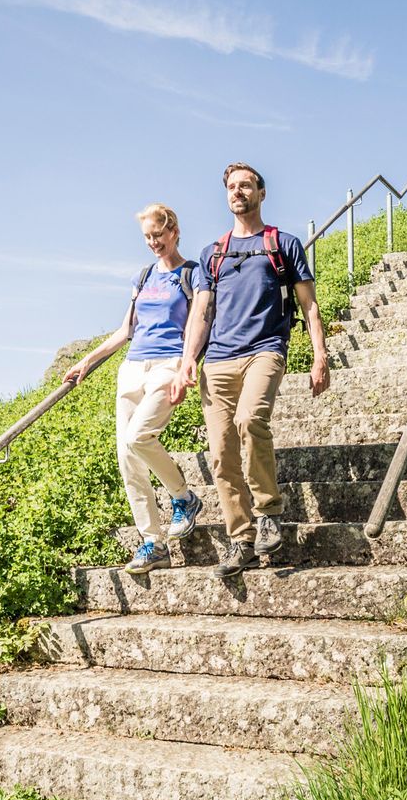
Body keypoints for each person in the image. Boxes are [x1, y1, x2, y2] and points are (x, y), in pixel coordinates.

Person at [168, 162, 330, 578]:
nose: (238, 192)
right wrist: (188, 358)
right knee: (221, 454)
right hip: (218, 360)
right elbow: (202, 311)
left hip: (265, 349)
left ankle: (268, 513)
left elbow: (308, 304)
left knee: (250, 419)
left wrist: (319, 355)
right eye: (232, 187)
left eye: (246, 186)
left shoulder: (284, 244)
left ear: (261, 193)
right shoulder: (212, 253)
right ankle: (240, 539)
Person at [64, 203, 207, 574]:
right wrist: (87, 360)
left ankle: (183, 497)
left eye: (158, 234)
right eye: (146, 237)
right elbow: (125, 330)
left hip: (168, 364)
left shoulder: (192, 274)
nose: (153, 242)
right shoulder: (142, 277)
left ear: (173, 230)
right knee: (127, 460)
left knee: (138, 438)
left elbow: (199, 324)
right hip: (132, 367)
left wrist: (188, 365)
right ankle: (153, 543)